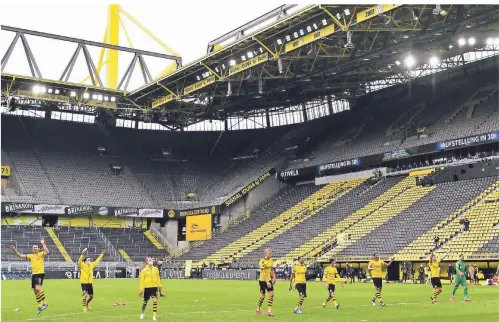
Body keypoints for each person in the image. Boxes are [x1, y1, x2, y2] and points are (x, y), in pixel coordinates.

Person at [11, 239, 49, 314]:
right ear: (32, 249)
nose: (34, 248)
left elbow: (47, 252)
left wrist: (43, 244)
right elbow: (20, 256)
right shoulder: (31, 256)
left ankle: (44, 303)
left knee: (38, 288)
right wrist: (15, 250)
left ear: (38, 249)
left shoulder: (41, 254)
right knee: (35, 291)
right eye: (33, 247)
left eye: (36, 247)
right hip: (34, 274)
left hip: (40, 273)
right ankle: (40, 306)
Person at [256, 249, 276, 317]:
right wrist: (267, 281)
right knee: (262, 296)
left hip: (269, 280)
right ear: (265, 254)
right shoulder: (262, 261)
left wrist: (274, 277)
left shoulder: (271, 261)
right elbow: (263, 272)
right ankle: (258, 308)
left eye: (270, 253)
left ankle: (269, 311)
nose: (270, 254)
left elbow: (272, 269)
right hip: (262, 280)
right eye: (269, 253)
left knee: (271, 294)